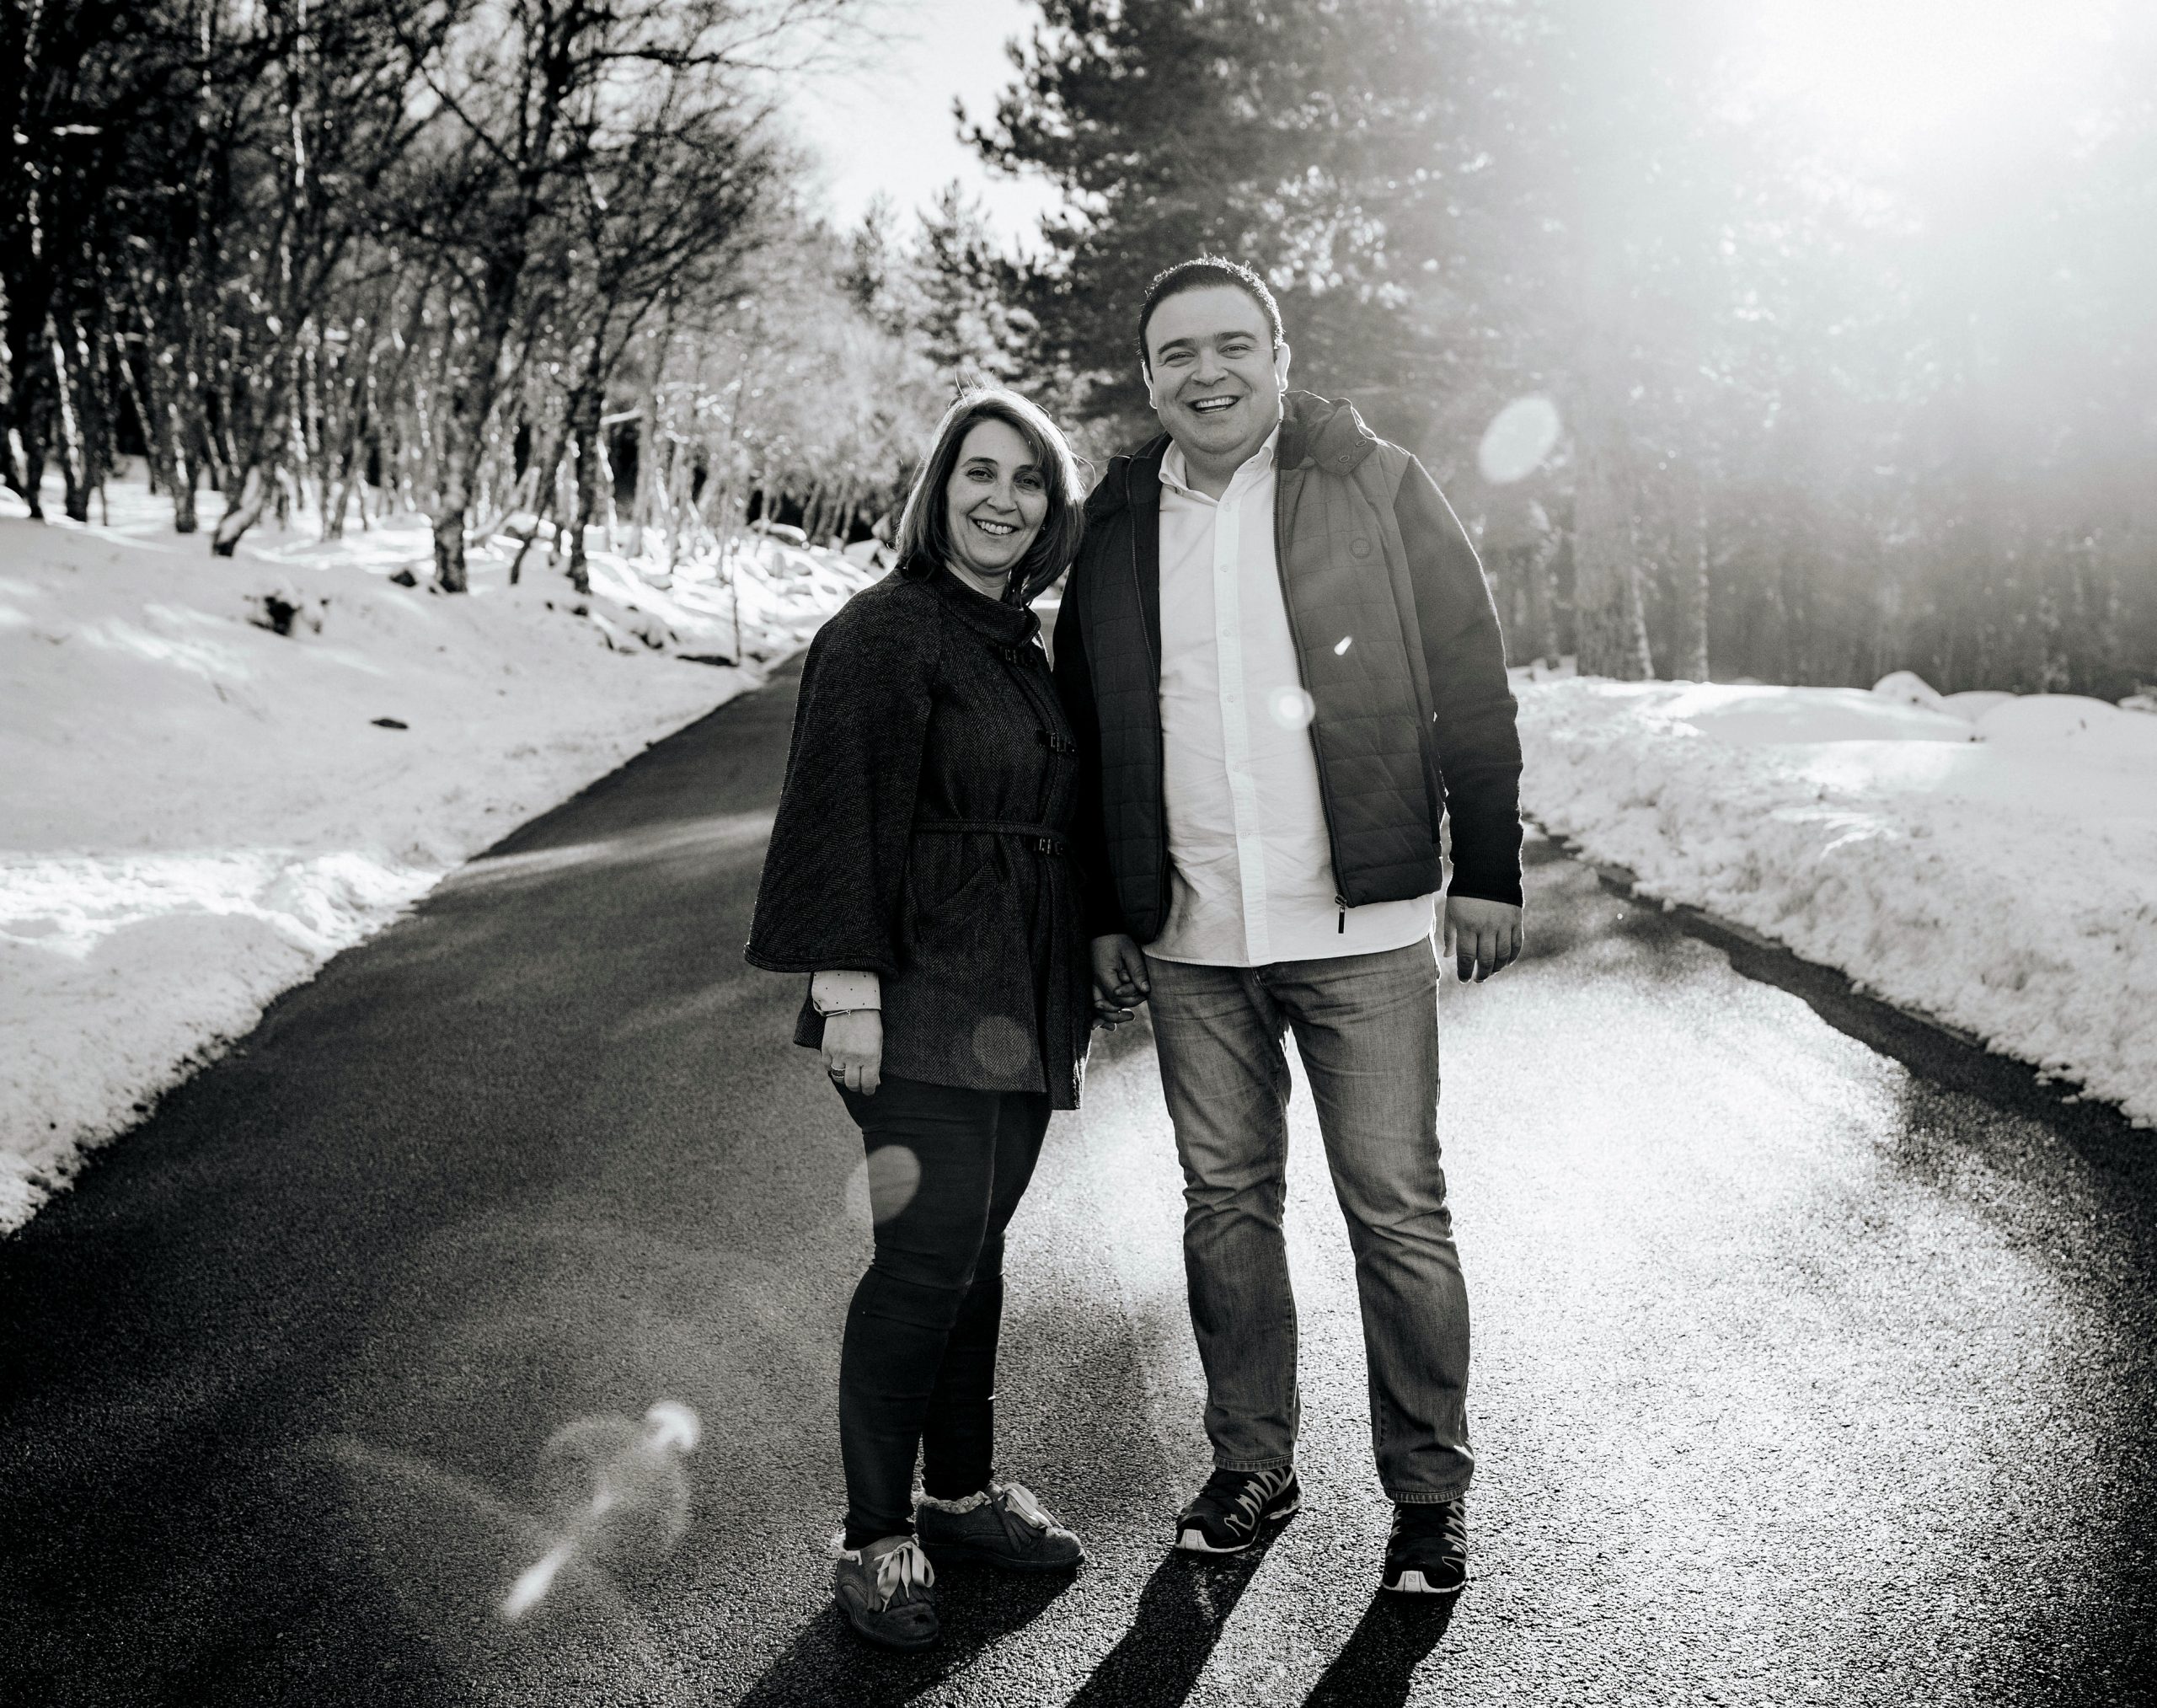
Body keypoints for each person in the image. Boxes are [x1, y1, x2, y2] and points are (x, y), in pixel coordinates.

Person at [1050, 257, 1525, 1598]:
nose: (1207, 373)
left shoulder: (1375, 483)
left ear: (1278, 355)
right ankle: (1251, 1465)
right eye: (1177, 353)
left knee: (1398, 1213)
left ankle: (1427, 1495)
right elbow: (1084, 732)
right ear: (1149, 379)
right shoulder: (1115, 522)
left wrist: (1488, 868)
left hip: (1358, 920)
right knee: (1224, 1209)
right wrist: (1105, 912)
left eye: (1232, 345)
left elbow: (1470, 677)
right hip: (1192, 935)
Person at [746, 388, 1100, 1651]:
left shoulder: (1017, 641)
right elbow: (833, 812)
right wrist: (847, 990)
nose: (1003, 499)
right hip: (917, 995)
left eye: (1029, 481)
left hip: (1018, 1000)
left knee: (976, 1254)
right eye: (979, 474)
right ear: (939, 489)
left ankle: (958, 1495)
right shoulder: (884, 631)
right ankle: (873, 1538)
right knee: (921, 1265)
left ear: (1052, 509)